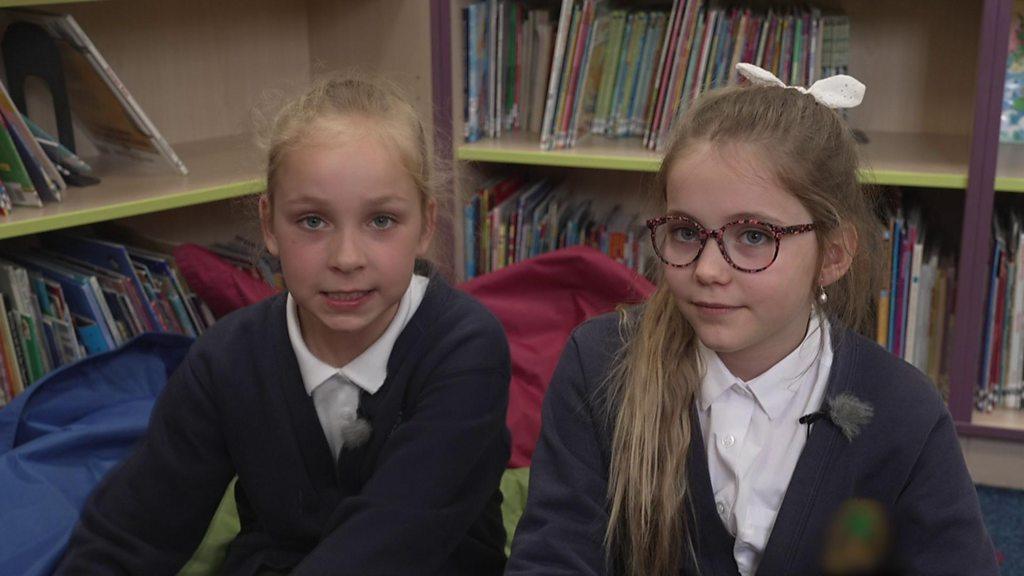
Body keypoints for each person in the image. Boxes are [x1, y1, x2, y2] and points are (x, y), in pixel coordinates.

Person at [506, 64, 998, 576]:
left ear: (833, 254)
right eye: (685, 232)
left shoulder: (903, 412)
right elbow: (552, 555)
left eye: (755, 236)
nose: (707, 270)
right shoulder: (601, 366)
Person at [56, 74, 511, 576]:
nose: (346, 258)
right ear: (270, 225)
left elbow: (396, 539)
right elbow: (131, 531)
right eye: (313, 221)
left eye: (381, 220)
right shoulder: (227, 359)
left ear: (425, 225)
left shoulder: (467, 348)